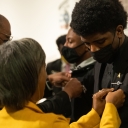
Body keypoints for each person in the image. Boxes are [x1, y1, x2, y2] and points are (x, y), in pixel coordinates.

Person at [0, 38, 125, 128]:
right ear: (33, 78)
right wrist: (110, 108)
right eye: (43, 70)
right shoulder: (48, 124)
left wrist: (95, 113)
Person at [70, 0, 128, 127]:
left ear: (119, 31)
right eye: (87, 44)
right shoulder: (100, 61)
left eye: (100, 41)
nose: (93, 50)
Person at [61, 28, 95, 121]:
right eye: (65, 40)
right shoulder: (78, 71)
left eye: (70, 41)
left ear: (86, 44)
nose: (65, 45)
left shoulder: (93, 72)